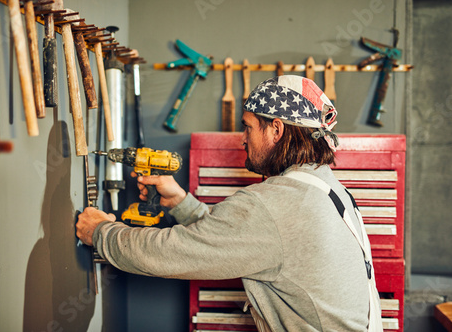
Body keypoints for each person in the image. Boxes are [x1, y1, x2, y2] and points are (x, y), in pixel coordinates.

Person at [77, 75, 383, 332]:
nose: (243, 139)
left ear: (276, 130)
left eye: (248, 127)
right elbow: (248, 237)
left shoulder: (274, 204)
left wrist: (102, 232)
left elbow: (169, 253)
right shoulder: (327, 188)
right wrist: (182, 203)